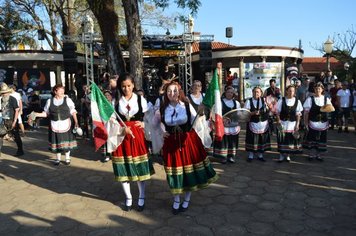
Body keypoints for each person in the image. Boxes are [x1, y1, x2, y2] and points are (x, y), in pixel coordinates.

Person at [156, 81, 218, 214]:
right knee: (173, 173)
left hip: (186, 142)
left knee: (188, 172)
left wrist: (201, 114)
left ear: (179, 92)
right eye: (169, 91)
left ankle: (187, 199)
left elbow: (196, 122)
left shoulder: (186, 105)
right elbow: (158, 124)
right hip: (171, 144)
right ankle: (177, 199)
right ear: (166, 94)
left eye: (175, 91)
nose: (172, 93)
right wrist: (162, 131)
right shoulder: (162, 108)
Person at [112, 73, 154, 212]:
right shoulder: (116, 102)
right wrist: (121, 129)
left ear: (133, 85)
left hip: (137, 136)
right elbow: (111, 121)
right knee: (124, 168)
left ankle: (141, 196)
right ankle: (128, 197)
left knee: (139, 167)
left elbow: (151, 116)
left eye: (129, 86)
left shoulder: (141, 100)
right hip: (122, 136)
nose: (126, 89)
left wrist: (144, 123)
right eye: (123, 86)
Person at [29, 84, 78, 165]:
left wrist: (76, 122)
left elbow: (73, 111)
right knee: (57, 141)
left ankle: (67, 158)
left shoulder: (68, 100)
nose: (62, 92)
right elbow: (46, 114)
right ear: (55, 91)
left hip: (66, 122)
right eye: (60, 90)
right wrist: (35, 114)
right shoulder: (49, 101)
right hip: (54, 123)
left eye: (63, 90)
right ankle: (58, 159)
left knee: (66, 141)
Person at [303, 82, 332, 161]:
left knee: (322, 139)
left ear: (322, 89)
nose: (317, 90)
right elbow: (306, 113)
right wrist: (305, 123)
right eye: (316, 89)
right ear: (314, 90)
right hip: (313, 122)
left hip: (323, 122)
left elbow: (329, 111)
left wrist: (329, 122)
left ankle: (319, 155)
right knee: (312, 139)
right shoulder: (310, 99)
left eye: (319, 89)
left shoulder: (326, 99)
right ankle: (311, 154)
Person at [212, 86, 241, 164]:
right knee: (224, 142)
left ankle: (231, 156)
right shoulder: (220, 102)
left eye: (231, 93)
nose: (230, 94)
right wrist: (222, 119)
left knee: (232, 141)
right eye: (228, 92)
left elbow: (238, 114)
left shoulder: (236, 103)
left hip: (233, 126)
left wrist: (237, 119)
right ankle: (223, 157)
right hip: (223, 126)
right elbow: (215, 113)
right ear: (225, 93)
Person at [275, 85, 303, 162]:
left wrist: (297, 125)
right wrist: (278, 120)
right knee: (282, 139)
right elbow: (277, 112)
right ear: (287, 91)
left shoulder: (297, 101)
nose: (291, 92)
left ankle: (288, 155)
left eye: (293, 91)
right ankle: (281, 155)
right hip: (283, 123)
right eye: (289, 91)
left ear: (294, 92)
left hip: (292, 124)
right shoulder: (282, 100)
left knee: (290, 140)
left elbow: (298, 115)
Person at [244, 86, 271, 162]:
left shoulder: (264, 100)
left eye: (258, 92)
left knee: (261, 139)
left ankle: (260, 155)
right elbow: (245, 113)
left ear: (261, 93)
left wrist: (270, 107)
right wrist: (253, 113)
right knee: (252, 139)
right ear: (252, 93)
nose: (256, 93)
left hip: (263, 123)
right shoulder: (248, 101)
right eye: (255, 92)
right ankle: (251, 155)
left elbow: (269, 110)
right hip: (253, 123)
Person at [0, 83, 24, 157]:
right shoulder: (1, 100)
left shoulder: (12, 99)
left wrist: (14, 121)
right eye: (3, 93)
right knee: (0, 135)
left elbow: (17, 110)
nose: (5, 94)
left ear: (8, 92)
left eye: (6, 92)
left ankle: (20, 150)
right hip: (3, 120)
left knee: (16, 136)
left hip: (11, 120)